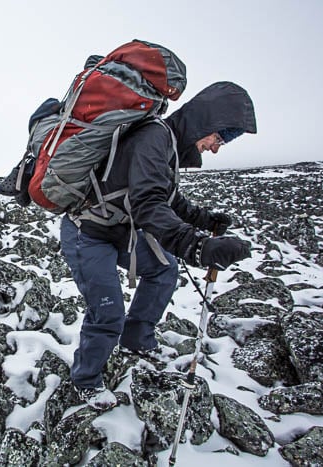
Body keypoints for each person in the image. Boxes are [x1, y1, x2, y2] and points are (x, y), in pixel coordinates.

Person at [60, 81, 257, 409]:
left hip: (119, 230)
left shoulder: (167, 143)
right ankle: (86, 380)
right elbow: (148, 203)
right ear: (206, 122)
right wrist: (195, 246)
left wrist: (206, 220)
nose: (216, 147)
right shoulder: (155, 136)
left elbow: (167, 197)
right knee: (108, 310)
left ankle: (135, 339)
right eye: (219, 137)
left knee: (164, 268)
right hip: (88, 232)